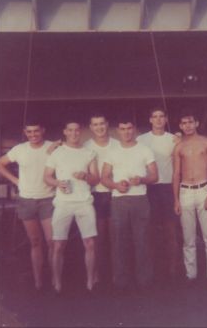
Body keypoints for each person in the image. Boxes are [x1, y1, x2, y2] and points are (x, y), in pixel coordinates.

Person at [0, 120, 56, 292]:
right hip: (27, 200)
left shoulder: (52, 147)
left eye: (36, 131)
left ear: (43, 130)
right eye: (29, 132)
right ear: (25, 132)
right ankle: (38, 282)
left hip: (48, 199)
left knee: (52, 242)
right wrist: (15, 180)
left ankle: (54, 278)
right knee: (35, 242)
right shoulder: (20, 149)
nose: (33, 135)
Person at [101, 114, 158, 294]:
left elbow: (155, 176)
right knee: (119, 242)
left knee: (142, 241)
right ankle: (121, 282)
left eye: (129, 128)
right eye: (123, 129)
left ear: (134, 130)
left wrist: (141, 179)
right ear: (118, 131)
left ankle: (145, 281)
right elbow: (104, 177)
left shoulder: (144, 150)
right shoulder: (112, 152)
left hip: (140, 200)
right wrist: (117, 185)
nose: (126, 132)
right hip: (119, 200)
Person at [44, 118, 99, 294]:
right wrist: (57, 183)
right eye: (70, 130)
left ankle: (90, 280)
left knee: (90, 243)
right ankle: (57, 282)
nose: (74, 133)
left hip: (84, 202)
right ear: (65, 132)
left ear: (80, 131)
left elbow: (95, 178)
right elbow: (47, 177)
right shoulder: (57, 153)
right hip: (63, 203)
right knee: (58, 244)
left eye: (77, 130)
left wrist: (85, 176)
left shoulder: (88, 153)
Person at [173, 109, 207, 285]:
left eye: (191, 122)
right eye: (184, 123)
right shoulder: (178, 146)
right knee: (188, 238)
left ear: (197, 123)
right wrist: (176, 199)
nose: (188, 126)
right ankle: (190, 275)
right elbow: (176, 173)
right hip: (185, 191)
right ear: (180, 126)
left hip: (203, 190)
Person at [137, 107, 181, 280]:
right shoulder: (141, 140)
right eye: (154, 116)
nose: (158, 120)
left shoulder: (174, 139)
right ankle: (153, 268)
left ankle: (173, 268)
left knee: (171, 230)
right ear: (150, 120)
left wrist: (180, 138)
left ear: (166, 119)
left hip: (168, 187)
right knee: (151, 231)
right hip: (149, 188)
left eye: (161, 116)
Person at [84, 113, 119, 286]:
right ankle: (97, 274)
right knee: (97, 238)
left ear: (107, 124)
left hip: (115, 194)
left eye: (102, 123)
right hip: (95, 195)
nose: (99, 127)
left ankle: (116, 274)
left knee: (115, 237)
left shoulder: (118, 145)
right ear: (91, 128)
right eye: (95, 124)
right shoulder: (85, 147)